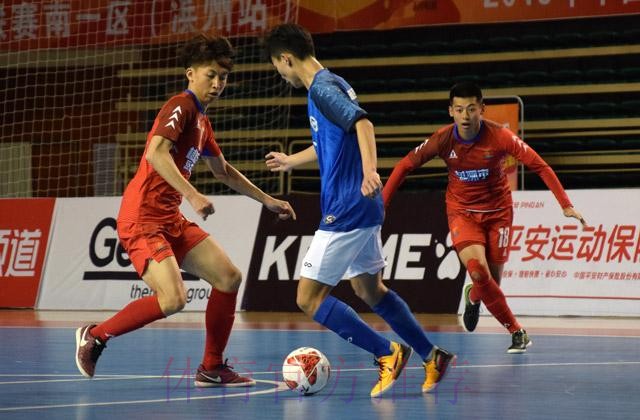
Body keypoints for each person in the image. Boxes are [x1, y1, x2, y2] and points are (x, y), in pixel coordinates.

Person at [74, 35, 296, 386]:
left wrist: (267, 200)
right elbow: (156, 153)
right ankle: (95, 336)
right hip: (143, 218)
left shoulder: (203, 123)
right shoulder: (181, 106)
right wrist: (192, 195)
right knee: (173, 299)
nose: (218, 84)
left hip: (170, 218)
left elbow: (223, 172)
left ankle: (212, 367)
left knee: (229, 278)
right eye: (211, 75)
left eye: (223, 77)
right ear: (191, 74)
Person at [263, 23, 455, 397]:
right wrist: (290, 161)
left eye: (277, 67)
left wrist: (370, 171)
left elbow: (363, 124)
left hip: (347, 208)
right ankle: (432, 355)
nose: (281, 75)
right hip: (362, 207)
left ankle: (387, 352)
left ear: (286, 59)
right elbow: (329, 142)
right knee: (369, 288)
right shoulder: (331, 83)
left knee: (307, 298)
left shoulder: (321, 89)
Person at [383, 82, 587, 353]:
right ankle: (517, 332)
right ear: (451, 111)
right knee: (478, 271)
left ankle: (473, 296)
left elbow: (539, 165)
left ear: (482, 109)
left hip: (499, 213)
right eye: (459, 109)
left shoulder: (500, 136)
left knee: (491, 283)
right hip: (462, 212)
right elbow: (405, 165)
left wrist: (565, 204)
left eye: (471, 109)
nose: (465, 116)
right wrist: (381, 203)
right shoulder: (443, 139)